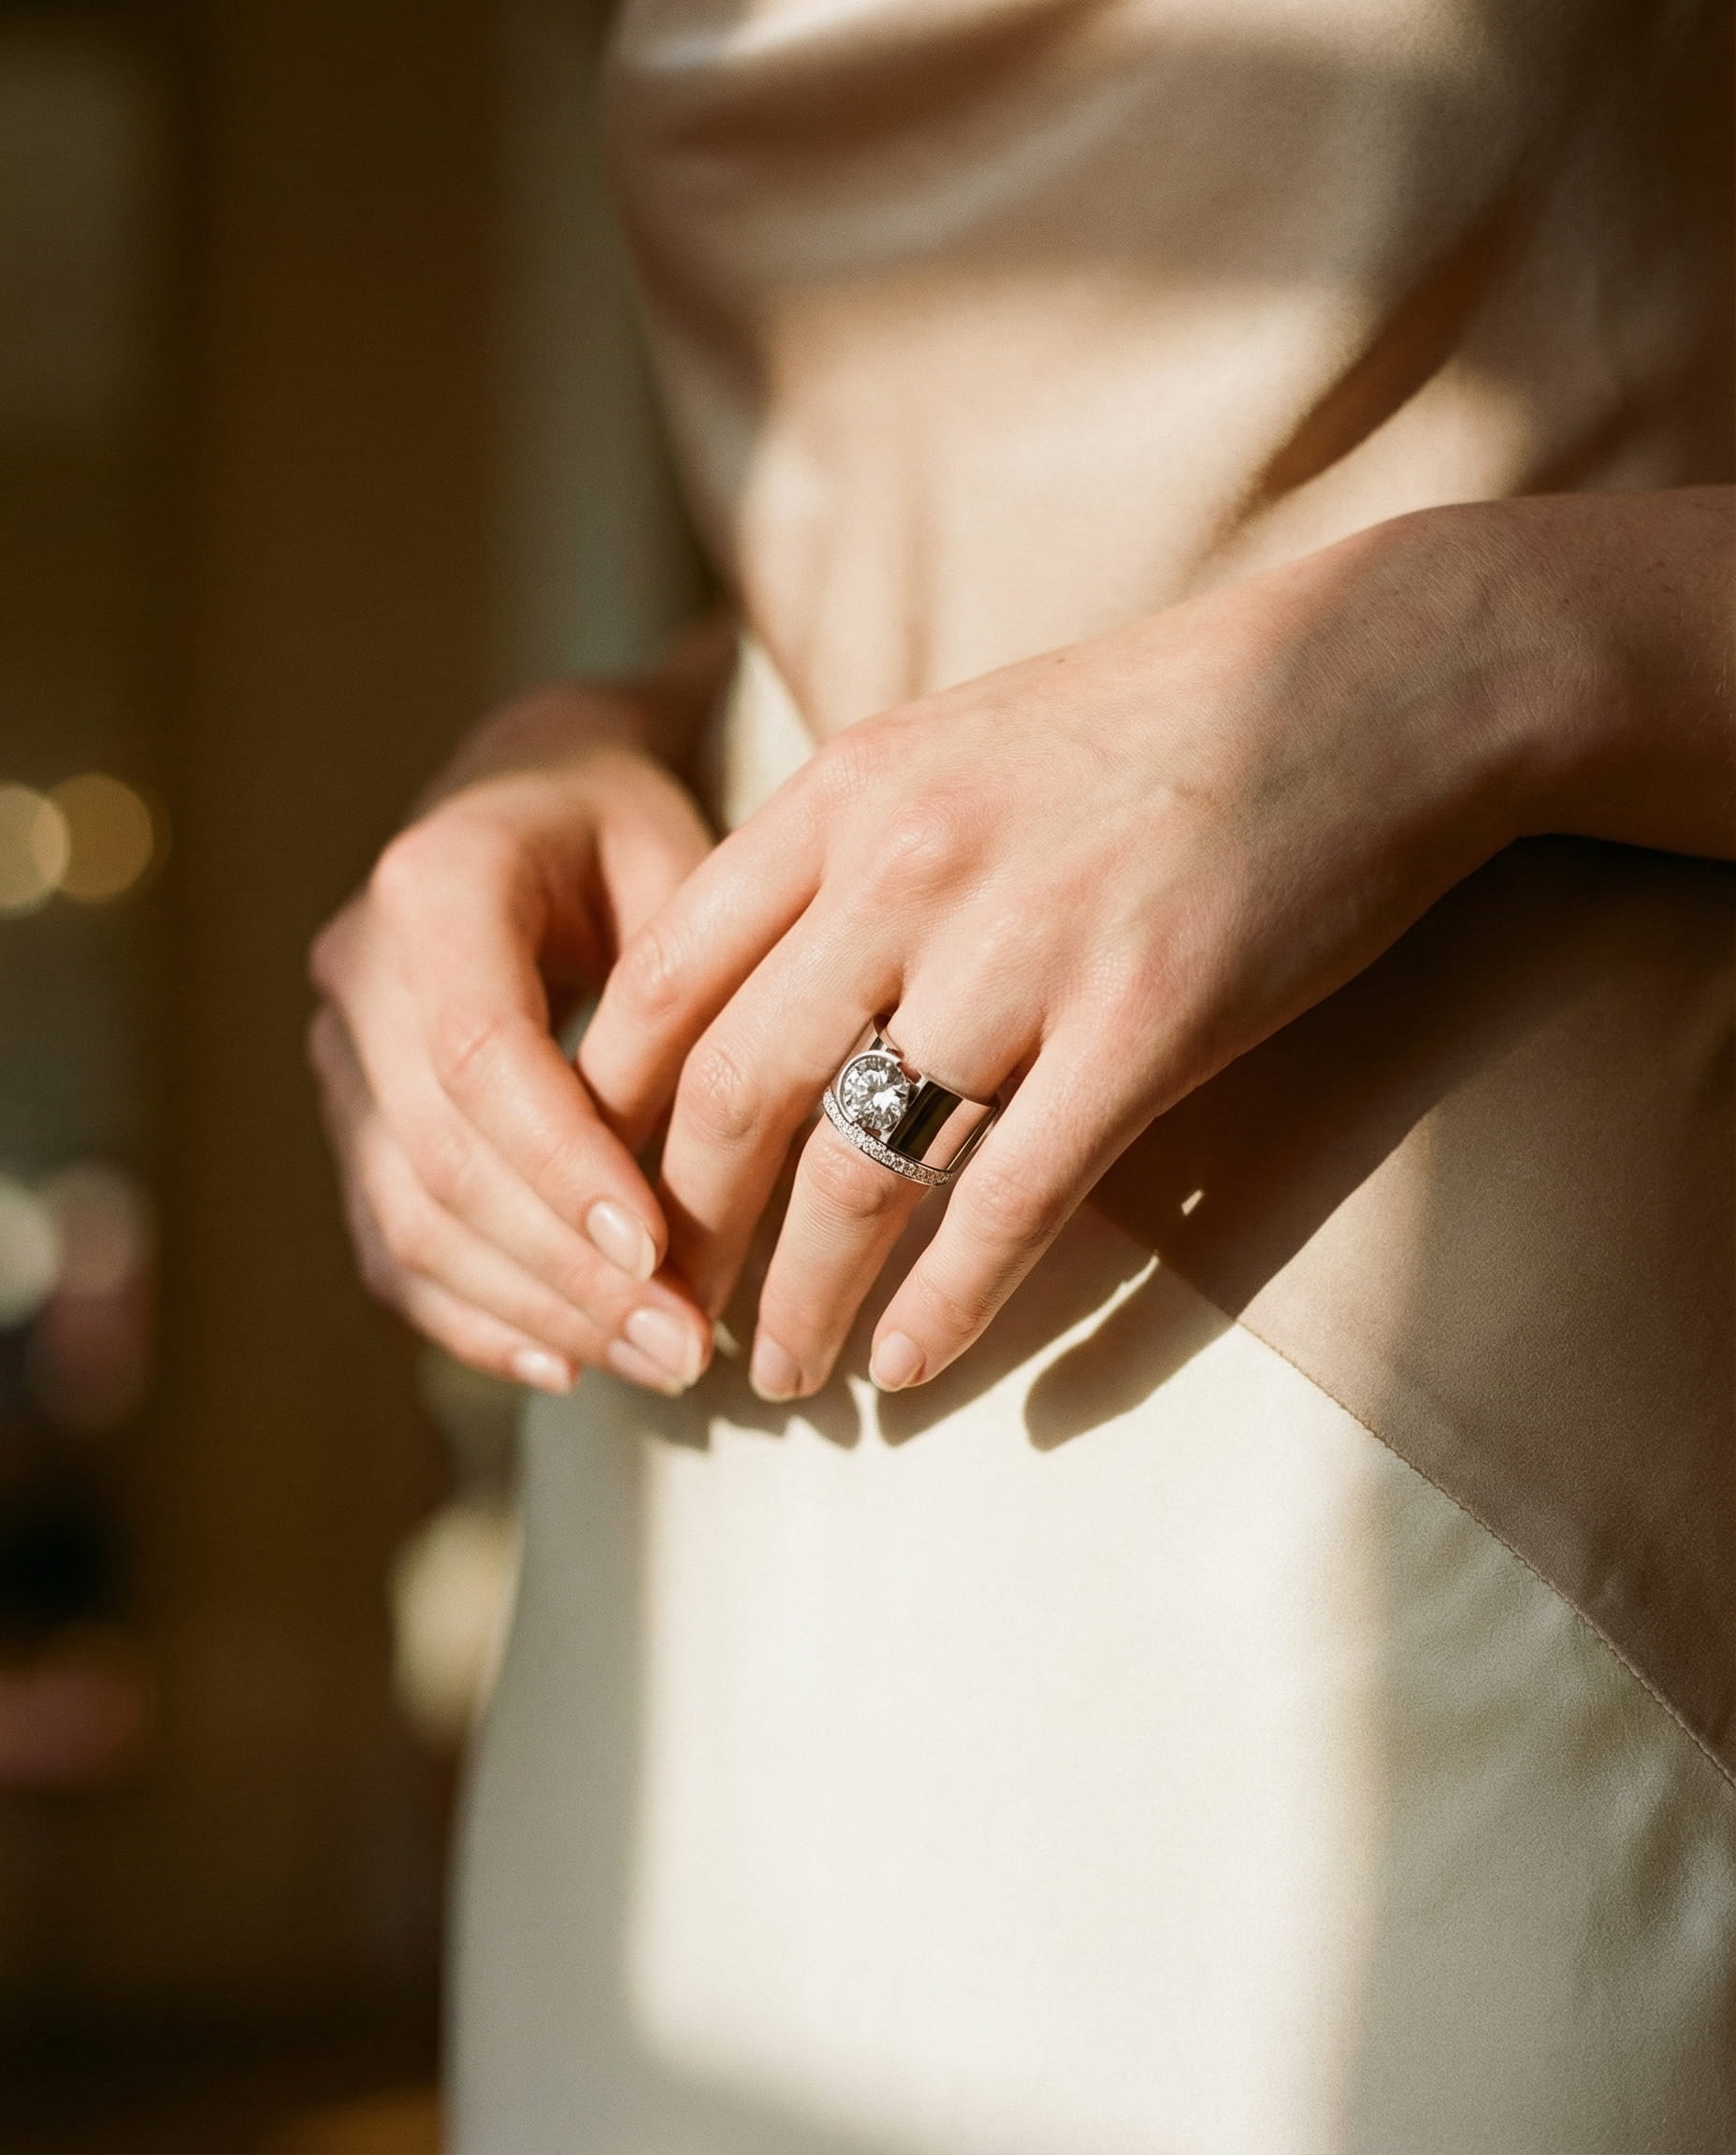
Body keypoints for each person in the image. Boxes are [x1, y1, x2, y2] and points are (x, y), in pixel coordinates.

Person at [310, 3, 1734, 2148]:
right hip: (729, 1469)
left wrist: (1475, 653)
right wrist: (584, 745)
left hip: (1462, 1461)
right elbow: (947, 517)